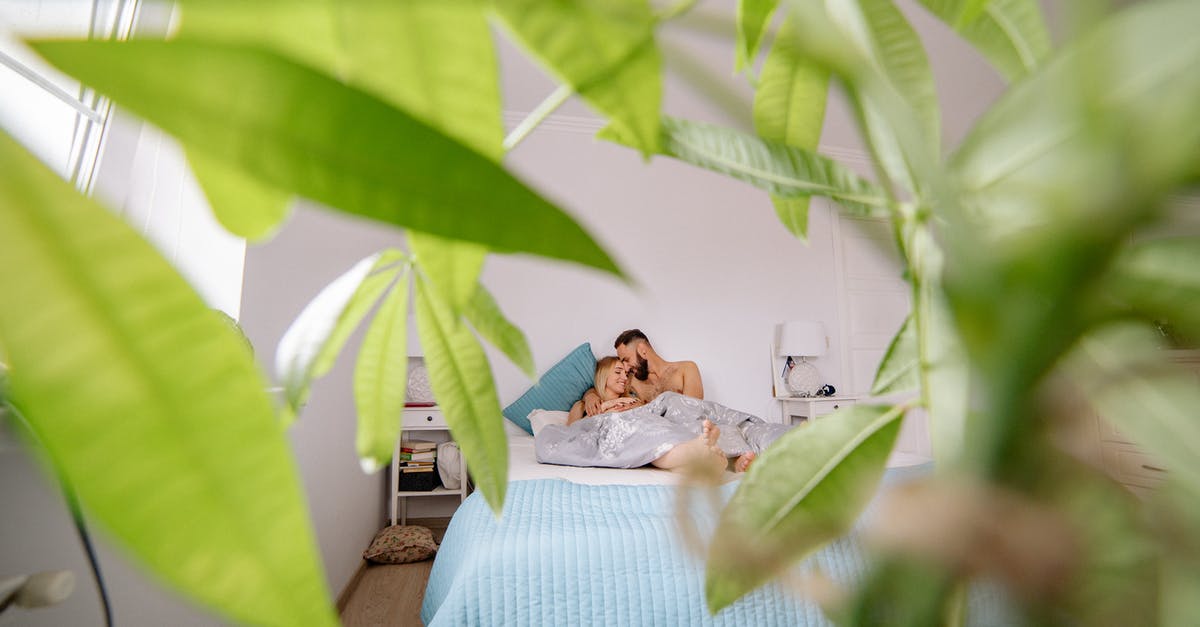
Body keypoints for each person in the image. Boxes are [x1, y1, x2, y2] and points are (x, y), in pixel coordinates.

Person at [581, 329, 702, 417]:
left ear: (642, 350)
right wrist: (590, 396)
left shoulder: (686, 369)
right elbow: (603, 385)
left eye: (627, 360)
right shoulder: (632, 380)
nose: (626, 368)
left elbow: (692, 414)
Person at [567, 357, 643, 425]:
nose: (625, 378)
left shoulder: (630, 403)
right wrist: (607, 405)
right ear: (604, 374)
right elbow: (571, 435)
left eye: (626, 374)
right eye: (618, 372)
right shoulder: (580, 406)